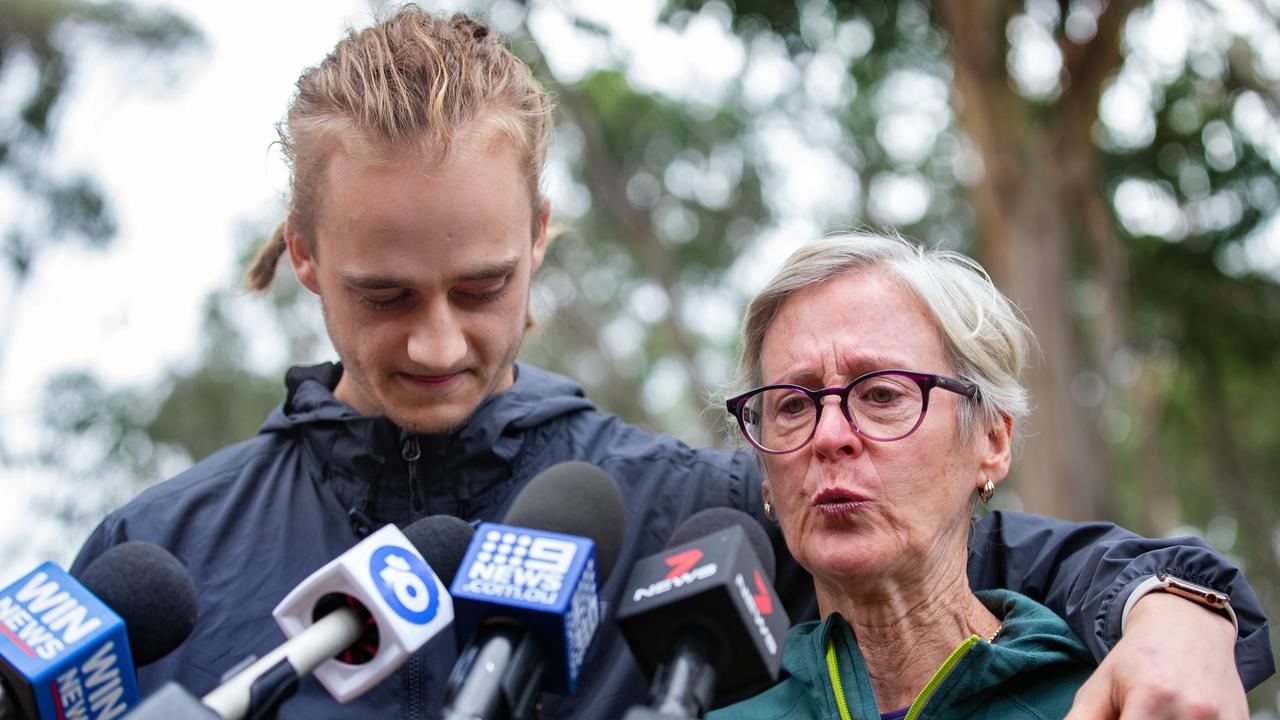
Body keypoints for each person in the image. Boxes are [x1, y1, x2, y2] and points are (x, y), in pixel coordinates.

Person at [70, 7, 1271, 720]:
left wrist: (1175, 613)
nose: (438, 342)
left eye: (482, 286)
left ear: (540, 240)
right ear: (303, 255)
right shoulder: (159, 555)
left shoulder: (700, 516)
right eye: (384, 296)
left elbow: (995, 553)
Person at [708, 233, 1089, 718]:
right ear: (765, 474)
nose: (828, 436)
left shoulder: (1113, 698)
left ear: (991, 441)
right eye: (795, 405)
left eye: (883, 395)